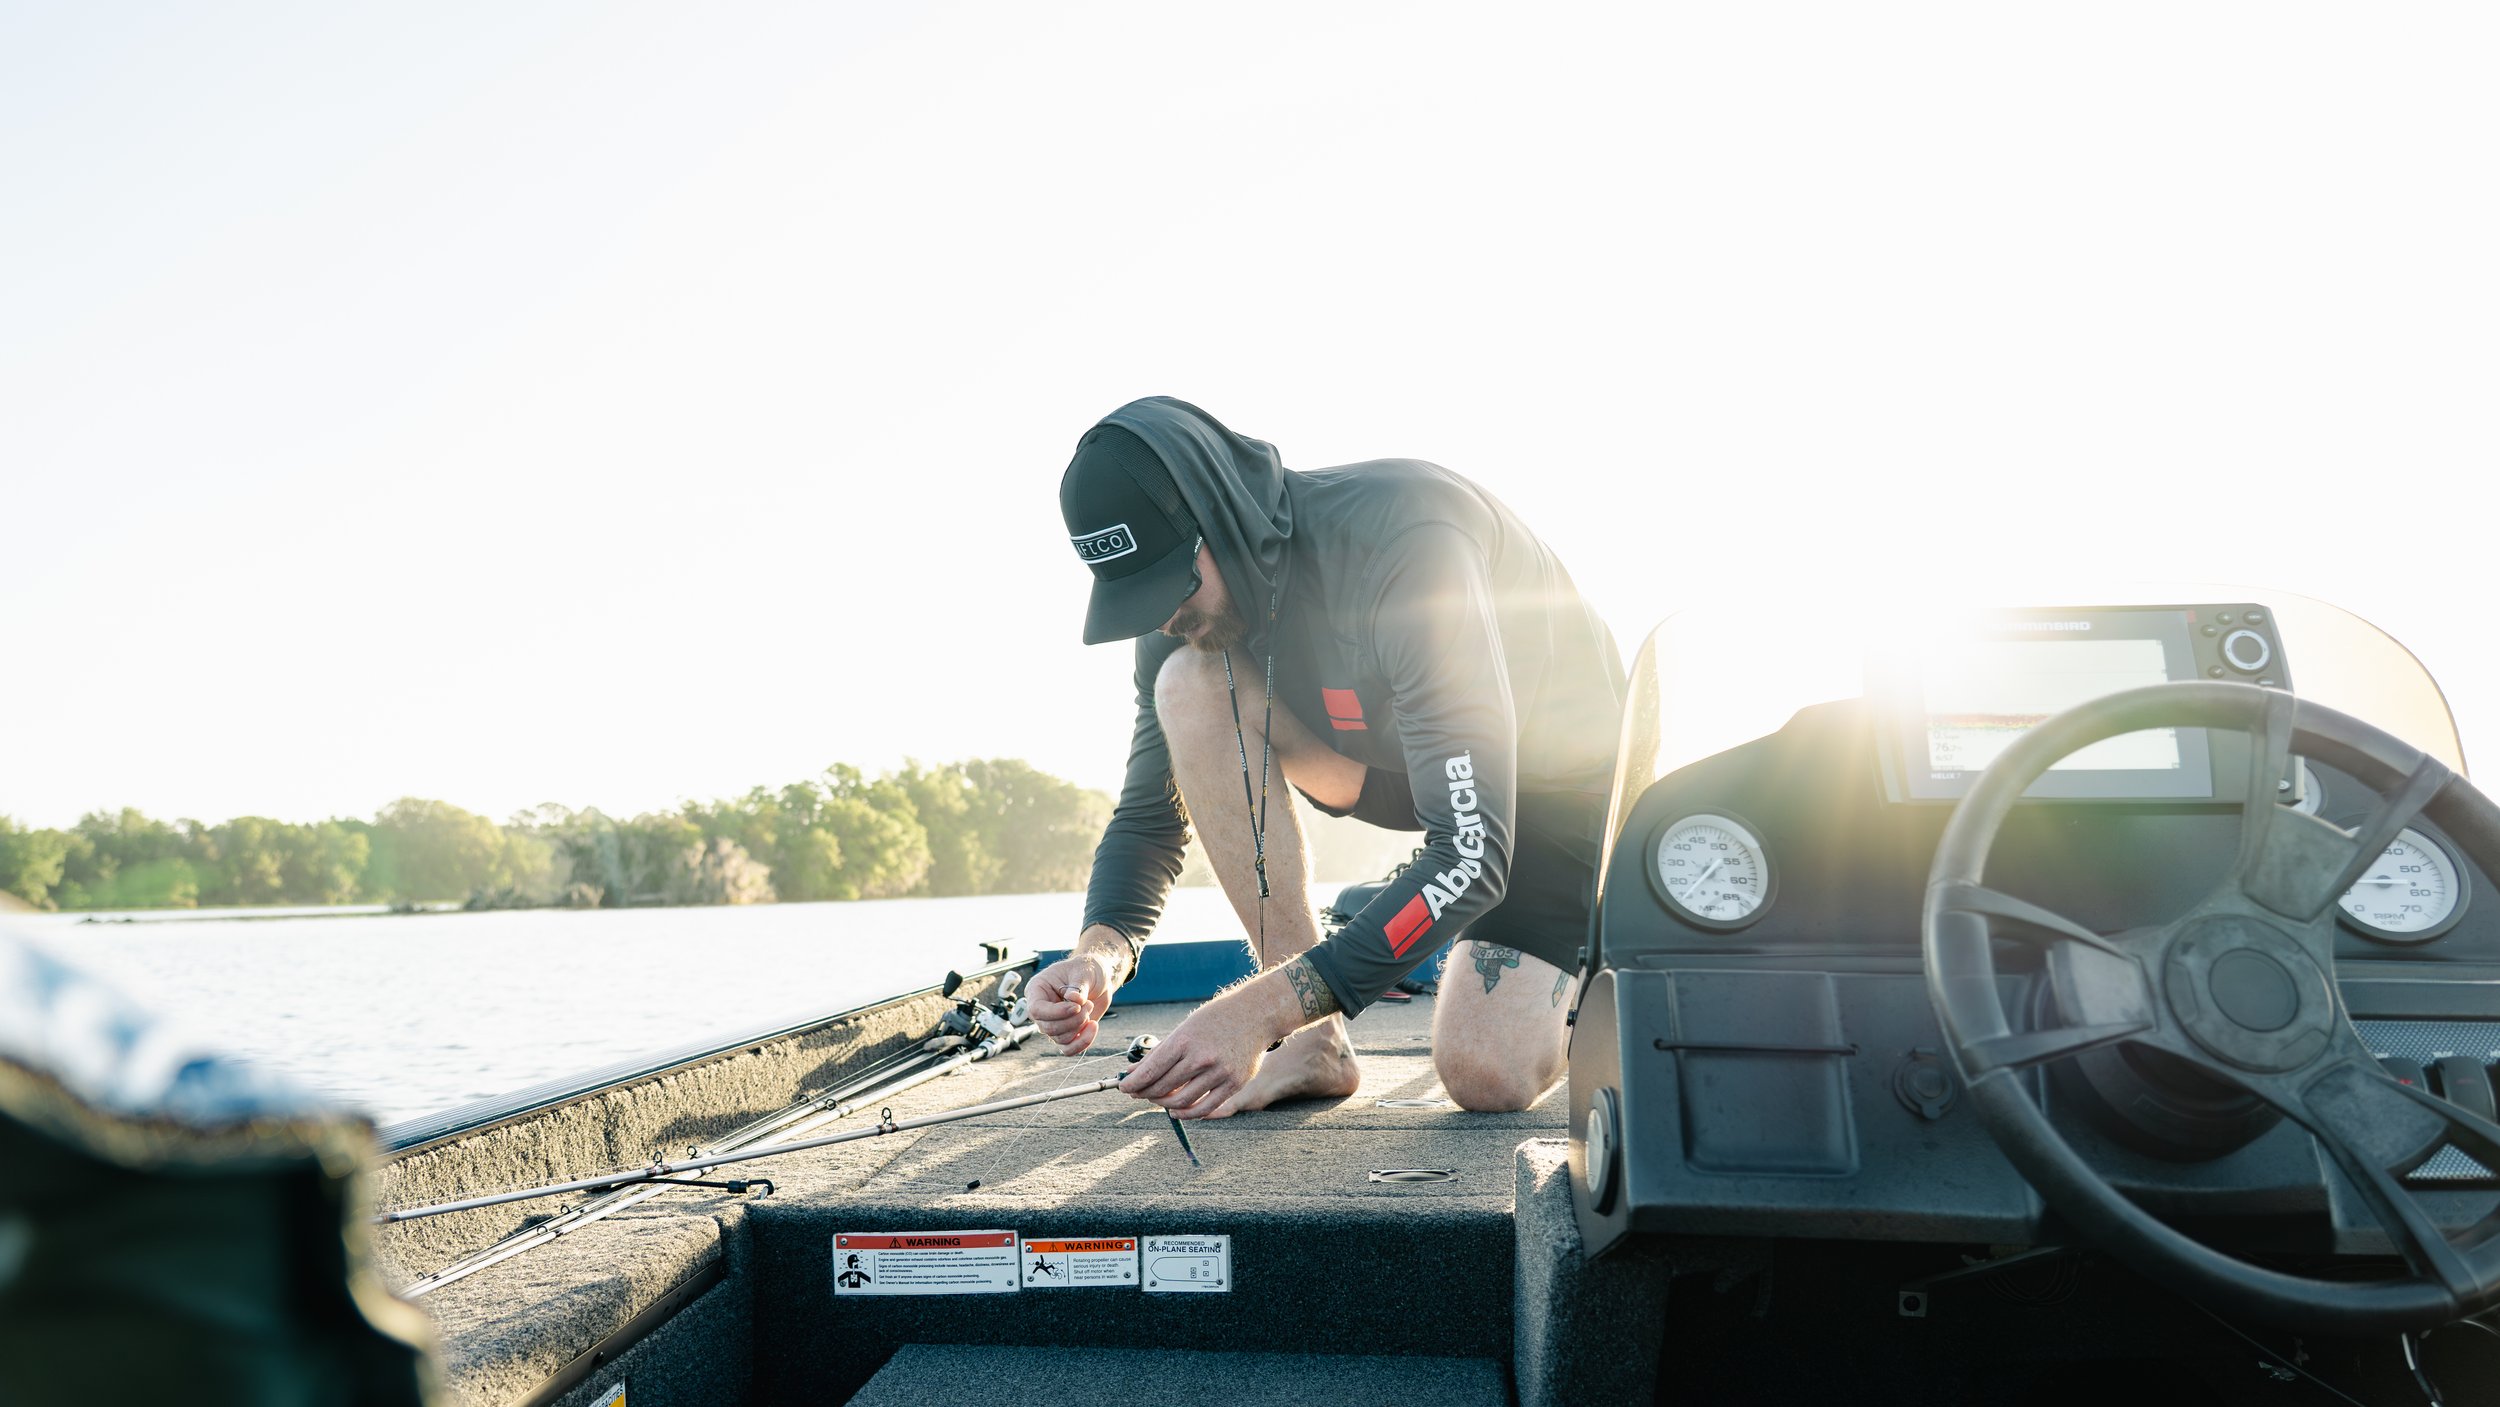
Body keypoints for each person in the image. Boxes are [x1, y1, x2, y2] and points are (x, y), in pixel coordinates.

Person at [1030, 397, 1624, 1119]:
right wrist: (1099, 954)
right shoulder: (1182, 609)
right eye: (1137, 596)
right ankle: (1314, 1044)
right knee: (1186, 681)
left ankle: (1598, 973)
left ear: (1220, 515)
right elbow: (1153, 815)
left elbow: (1472, 851)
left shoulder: (1408, 545)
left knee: (1483, 1071)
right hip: (1392, 764)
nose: (1160, 616)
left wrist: (1255, 1012)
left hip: (1559, 783)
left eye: (1171, 584)